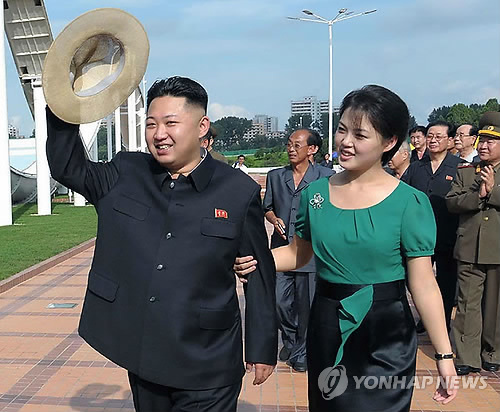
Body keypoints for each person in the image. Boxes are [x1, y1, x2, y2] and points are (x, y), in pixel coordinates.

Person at [46, 76, 277, 412]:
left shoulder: (238, 191)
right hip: (145, 354)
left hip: (208, 360)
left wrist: (261, 346)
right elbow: (68, 166)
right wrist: (62, 103)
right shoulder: (126, 172)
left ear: (202, 127)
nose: (159, 134)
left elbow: (259, 272)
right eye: (151, 123)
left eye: (171, 123)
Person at [235, 85, 457, 411]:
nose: (346, 142)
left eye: (360, 134)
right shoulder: (316, 195)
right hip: (327, 323)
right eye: (342, 130)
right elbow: (300, 253)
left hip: (386, 333)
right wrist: (257, 261)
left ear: (390, 141)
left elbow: (423, 282)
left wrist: (444, 355)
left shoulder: (410, 202)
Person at [262, 128, 333, 372]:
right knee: (280, 301)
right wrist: (274, 219)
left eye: (297, 145)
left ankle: (303, 350)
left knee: (307, 304)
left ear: (312, 149)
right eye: (289, 144)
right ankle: (291, 341)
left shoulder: (326, 177)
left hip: (310, 253)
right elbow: (267, 207)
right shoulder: (275, 176)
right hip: (282, 250)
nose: (291, 149)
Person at [446, 111, 500, 376]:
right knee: (467, 304)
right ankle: (467, 356)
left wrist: (494, 191)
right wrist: (479, 194)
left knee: (496, 306)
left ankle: (493, 352)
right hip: (469, 247)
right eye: (483, 140)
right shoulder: (466, 171)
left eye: (492, 141)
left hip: (497, 248)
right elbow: (452, 202)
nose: (485, 145)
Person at [403, 120, 463, 332]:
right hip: (420, 237)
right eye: (430, 136)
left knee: (446, 283)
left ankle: (442, 322)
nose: (433, 140)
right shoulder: (416, 168)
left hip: (448, 235)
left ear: (449, 140)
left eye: (438, 136)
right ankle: (424, 319)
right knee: (416, 281)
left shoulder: (460, 167)